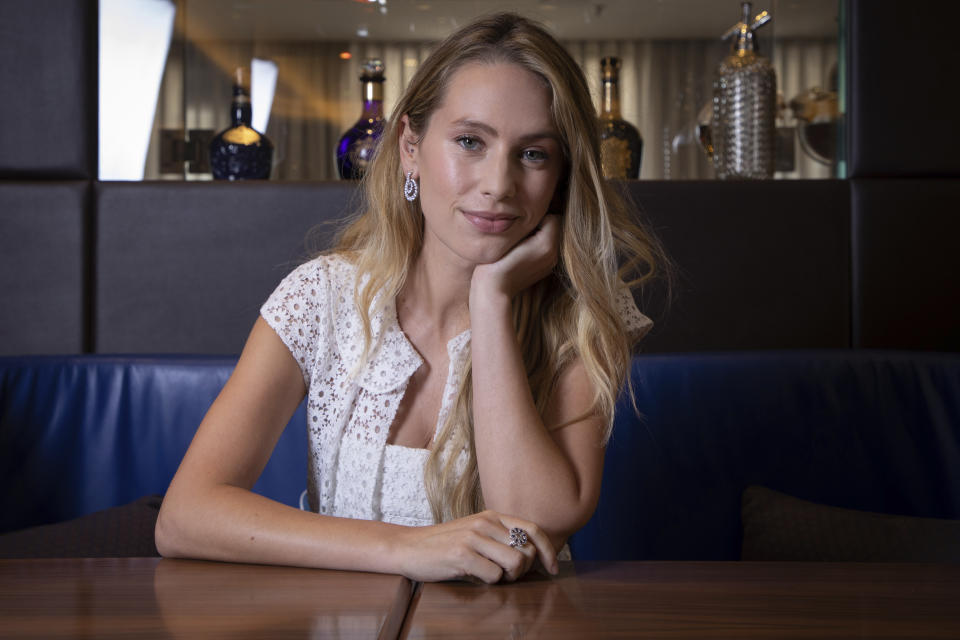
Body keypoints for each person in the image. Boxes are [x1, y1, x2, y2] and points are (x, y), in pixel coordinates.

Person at [155, 12, 661, 584]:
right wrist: (407, 549)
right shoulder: (321, 296)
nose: (499, 184)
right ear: (411, 148)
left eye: (534, 154)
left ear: (562, 177)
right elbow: (185, 516)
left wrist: (491, 300)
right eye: (470, 141)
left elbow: (536, 522)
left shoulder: (584, 312)